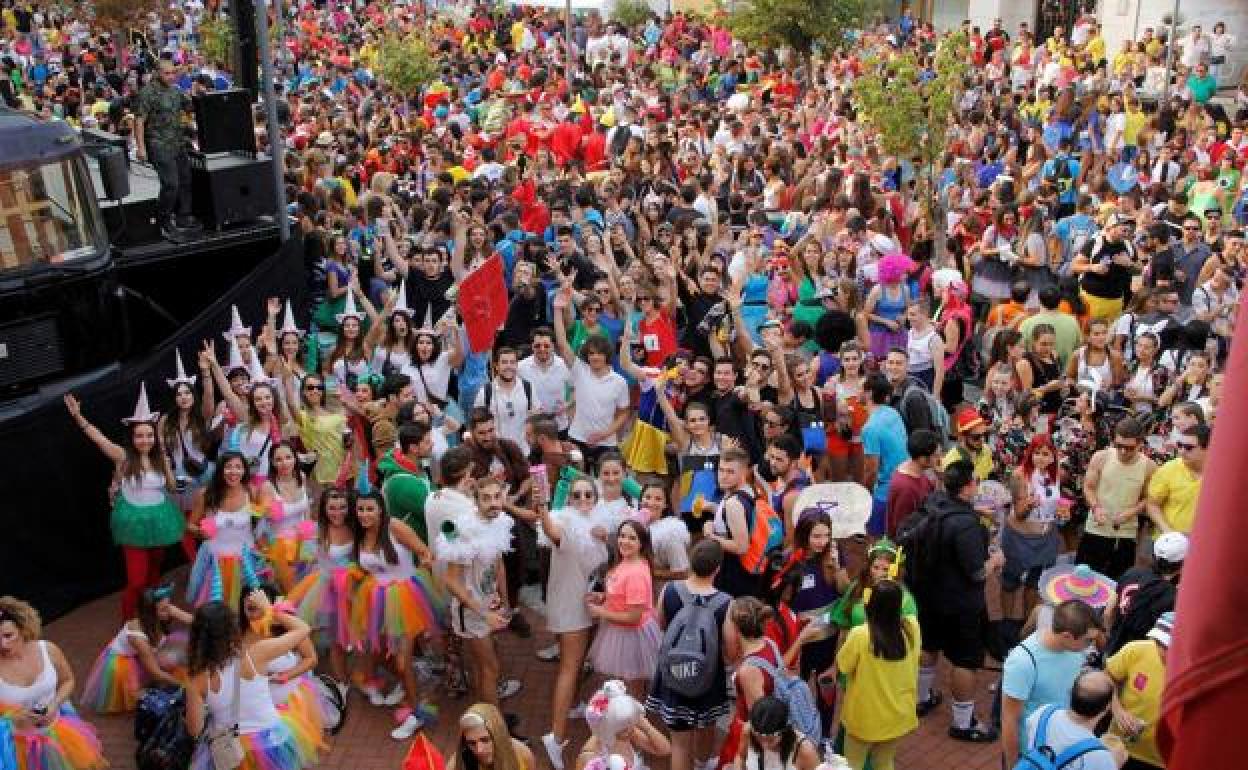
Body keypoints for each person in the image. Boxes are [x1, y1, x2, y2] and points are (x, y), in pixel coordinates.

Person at [64, 387, 186, 620]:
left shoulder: (160, 458)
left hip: (160, 519)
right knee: (136, 580)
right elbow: (99, 439)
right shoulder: (123, 456)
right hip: (133, 523)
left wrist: (165, 457)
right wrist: (79, 417)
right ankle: (129, 624)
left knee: (153, 575)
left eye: (148, 435)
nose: (145, 440)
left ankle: (150, 617)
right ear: (132, 437)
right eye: (140, 435)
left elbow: (171, 487)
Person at [914, 461, 1001, 743]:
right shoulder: (966, 527)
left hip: (927, 595)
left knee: (928, 645)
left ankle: (922, 698)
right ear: (968, 486)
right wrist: (995, 561)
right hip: (961, 605)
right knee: (965, 661)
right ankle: (963, 723)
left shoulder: (934, 503)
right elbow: (976, 573)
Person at [183, 596, 322, 770]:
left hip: (231, 751)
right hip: (271, 742)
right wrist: (270, 610)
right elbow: (303, 629)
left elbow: (195, 730)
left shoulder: (195, 679)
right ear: (232, 629)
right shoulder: (256, 653)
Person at [538, 474, 613, 769]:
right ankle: (555, 739)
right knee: (570, 669)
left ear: (595, 499)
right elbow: (551, 529)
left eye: (588, 495)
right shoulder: (567, 524)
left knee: (573, 664)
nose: (583, 500)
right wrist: (542, 507)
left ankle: (572, 706)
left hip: (580, 603)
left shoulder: (598, 525)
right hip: (571, 608)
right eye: (577, 495)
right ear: (568, 500)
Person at [350, 489, 438, 740]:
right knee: (376, 652)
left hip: (405, 600)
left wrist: (414, 583)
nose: (364, 514)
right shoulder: (361, 534)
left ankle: (416, 713)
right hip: (376, 600)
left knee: (401, 661)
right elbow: (368, 568)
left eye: (370, 509)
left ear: (381, 509)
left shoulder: (395, 527)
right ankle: (411, 678)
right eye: (360, 509)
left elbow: (425, 553)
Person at [647, 539, 734, 770]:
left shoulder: (670, 590)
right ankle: (703, 762)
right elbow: (731, 649)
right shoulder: (726, 602)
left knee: (679, 744)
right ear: (717, 568)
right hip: (708, 676)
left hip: (674, 671)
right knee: (707, 726)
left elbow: (662, 624)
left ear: (691, 561)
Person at [438, 474, 519, 707]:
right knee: (490, 668)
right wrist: (484, 614)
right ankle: (494, 726)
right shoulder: (464, 533)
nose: (493, 503)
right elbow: (451, 581)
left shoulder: (500, 521)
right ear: (476, 501)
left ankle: (485, 713)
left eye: (496, 497)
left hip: (489, 607)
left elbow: (499, 564)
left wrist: (504, 602)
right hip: (471, 612)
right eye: (486, 498)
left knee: (484, 665)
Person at [0, 596, 107, 770]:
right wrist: (13, 718)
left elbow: (68, 680)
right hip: (16, 747)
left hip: (57, 732)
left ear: (22, 628)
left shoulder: (48, 650)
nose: (3, 644)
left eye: (8, 635)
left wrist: (55, 703)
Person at [1001, 599, 1103, 767]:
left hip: (1061, 749)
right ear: (1067, 636)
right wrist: (1014, 766)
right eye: (1088, 640)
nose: (1091, 645)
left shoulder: (1075, 650)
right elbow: (1009, 720)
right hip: (1031, 755)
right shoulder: (1022, 662)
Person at [836, 579, 922, 770]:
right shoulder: (912, 628)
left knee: (852, 765)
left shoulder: (860, 634)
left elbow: (843, 666)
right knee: (884, 763)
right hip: (897, 715)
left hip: (863, 718)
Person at [286, 486, 358, 699]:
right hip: (329, 591)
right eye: (332, 508)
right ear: (324, 509)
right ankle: (342, 681)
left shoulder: (356, 527)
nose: (338, 513)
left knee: (355, 637)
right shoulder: (316, 531)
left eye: (343, 507)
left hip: (356, 589)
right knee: (336, 638)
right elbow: (303, 560)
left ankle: (360, 676)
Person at [81, 585, 192, 713]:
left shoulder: (162, 613)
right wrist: (184, 685)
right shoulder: (138, 638)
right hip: (123, 661)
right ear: (150, 613)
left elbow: (192, 620)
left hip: (145, 651)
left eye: (169, 606)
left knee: (178, 654)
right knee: (146, 686)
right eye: (164, 609)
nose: (169, 611)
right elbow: (156, 672)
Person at [587, 520, 662, 696]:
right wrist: (604, 596)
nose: (624, 541)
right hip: (619, 630)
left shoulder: (636, 573)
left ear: (641, 543)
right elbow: (623, 593)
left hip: (632, 636)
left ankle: (633, 720)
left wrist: (600, 612)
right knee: (625, 683)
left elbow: (634, 617)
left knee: (632, 686)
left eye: (632, 538)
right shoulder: (627, 560)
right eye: (622, 536)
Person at [1077, 418, 1157, 580]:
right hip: (1096, 528)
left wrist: (1131, 512)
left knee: (1117, 582)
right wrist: (1096, 507)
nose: (1123, 451)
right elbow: (1089, 487)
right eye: (1118, 446)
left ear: (1140, 444)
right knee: (1084, 579)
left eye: (1129, 448)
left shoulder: (1149, 466)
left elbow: (1150, 498)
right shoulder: (1101, 457)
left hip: (1126, 534)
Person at [135, 58, 199, 237]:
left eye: (173, 73)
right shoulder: (147, 93)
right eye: (167, 73)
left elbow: (189, 107)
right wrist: (141, 147)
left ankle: (183, 216)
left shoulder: (175, 91)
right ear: (157, 73)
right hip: (158, 144)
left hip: (177, 143)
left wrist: (195, 94)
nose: (171, 77)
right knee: (171, 184)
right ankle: (164, 219)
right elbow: (139, 120)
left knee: (185, 180)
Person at [1020, 671, 1125, 770]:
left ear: (1070, 693)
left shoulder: (1044, 712)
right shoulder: (1100, 757)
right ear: (1107, 707)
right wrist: (1115, 763)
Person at [1104, 533, 1187, 656]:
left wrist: (1110, 637)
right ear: (1183, 563)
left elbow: (1108, 612)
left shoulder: (1131, 573)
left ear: (1154, 555)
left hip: (1112, 649)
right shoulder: (1173, 596)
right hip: (1139, 658)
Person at [702, 447, 762, 598]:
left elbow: (741, 546)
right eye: (721, 470)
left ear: (743, 473)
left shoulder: (733, 503)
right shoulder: (746, 491)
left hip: (734, 575)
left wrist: (711, 537)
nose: (723, 476)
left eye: (730, 472)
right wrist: (713, 509)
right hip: (744, 572)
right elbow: (740, 518)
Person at [575, 680, 671, 770]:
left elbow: (664, 750)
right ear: (608, 727)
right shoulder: (589, 756)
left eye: (631, 724)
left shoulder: (626, 733)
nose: (630, 730)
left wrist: (647, 727)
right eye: (624, 728)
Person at [862, 372, 910, 537]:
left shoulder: (870, 428)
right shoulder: (893, 412)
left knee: (875, 541)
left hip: (885, 493)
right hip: (905, 482)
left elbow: (871, 471)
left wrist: (864, 494)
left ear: (868, 393)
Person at [1145, 424, 1208, 535]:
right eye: (1179, 445)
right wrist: (1167, 531)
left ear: (1207, 448)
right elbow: (1152, 504)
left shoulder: (1221, 474)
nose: (1182, 451)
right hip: (1171, 543)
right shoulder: (1169, 468)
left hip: (1204, 542)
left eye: (1189, 447)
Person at [732, 697, 821, 770]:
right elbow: (741, 756)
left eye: (770, 740)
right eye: (759, 738)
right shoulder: (748, 730)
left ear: (784, 731)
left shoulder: (806, 752)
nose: (764, 745)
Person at [886, 429, 940, 537]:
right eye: (936, 455)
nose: (939, 459)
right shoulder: (907, 489)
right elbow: (903, 530)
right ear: (922, 459)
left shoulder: (917, 469)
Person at [450, 703, 536, 770]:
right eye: (472, 743)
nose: (479, 750)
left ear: (498, 735)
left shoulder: (522, 754)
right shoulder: (460, 762)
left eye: (485, 740)